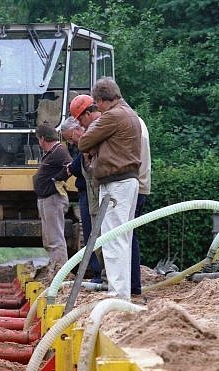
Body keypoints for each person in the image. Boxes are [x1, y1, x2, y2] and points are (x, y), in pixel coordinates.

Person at [77, 78, 142, 300]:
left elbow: (84, 143)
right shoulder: (130, 113)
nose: (98, 109)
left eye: (97, 104)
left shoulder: (113, 116)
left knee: (113, 239)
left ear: (103, 100)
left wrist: (93, 146)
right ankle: (121, 292)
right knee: (121, 237)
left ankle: (117, 293)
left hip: (116, 182)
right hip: (127, 181)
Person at [60, 116, 102, 283]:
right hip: (87, 192)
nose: (71, 142)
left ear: (79, 130)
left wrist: (71, 168)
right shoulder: (83, 147)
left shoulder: (88, 145)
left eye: (71, 138)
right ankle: (97, 273)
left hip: (90, 192)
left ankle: (98, 272)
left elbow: (79, 167)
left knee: (94, 232)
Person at [33, 124, 73, 273]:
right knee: (50, 238)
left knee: (55, 238)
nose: (39, 142)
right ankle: (55, 267)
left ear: (43, 139)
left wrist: (56, 179)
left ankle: (61, 272)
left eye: (38, 139)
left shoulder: (60, 151)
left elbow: (70, 166)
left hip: (53, 199)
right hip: (46, 198)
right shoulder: (53, 152)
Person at [131, 118, 151, 296]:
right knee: (129, 235)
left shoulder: (129, 124)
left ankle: (131, 285)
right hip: (141, 186)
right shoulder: (138, 122)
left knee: (126, 237)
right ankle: (133, 284)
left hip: (133, 187)